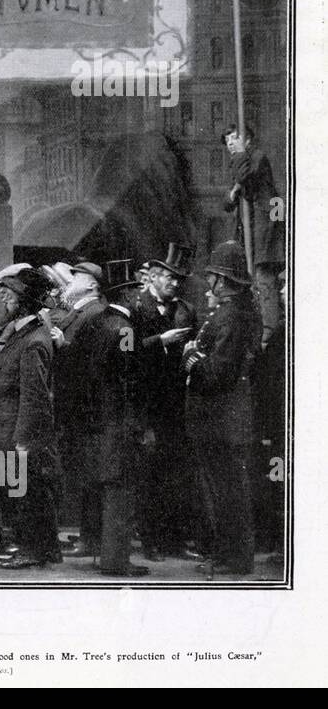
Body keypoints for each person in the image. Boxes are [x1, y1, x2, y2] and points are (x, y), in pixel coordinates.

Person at [185, 242, 263, 576]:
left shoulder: (231, 315)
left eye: (213, 276)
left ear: (222, 280)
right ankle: (229, 555)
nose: (209, 283)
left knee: (226, 492)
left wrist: (191, 359)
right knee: (226, 491)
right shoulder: (238, 311)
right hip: (224, 420)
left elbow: (218, 372)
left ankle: (233, 559)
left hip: (221, 420)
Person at [128, 244, 200, 561]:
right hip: (146, 404)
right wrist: (162, 341)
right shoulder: (135, 308)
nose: (175, 284)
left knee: (175, 473)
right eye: (170, 279)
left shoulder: (186, 310)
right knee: (149, 475)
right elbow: (128, 351)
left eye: (179, 280)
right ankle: (150, 541)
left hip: (176, 405)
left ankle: (175, 540)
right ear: (154, 277)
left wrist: (191, 354)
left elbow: (195, 342)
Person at [80, 260, 149, 577]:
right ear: (127, 294)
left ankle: (105, 554)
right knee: (121, 490)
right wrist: (139, 424)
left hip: (98, 419)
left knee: (108, 488)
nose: (139, 294)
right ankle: (116, 560)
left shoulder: (96, 322)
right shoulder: (124, 330)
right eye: (136, 288)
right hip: (119, 421)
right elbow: (129, 380)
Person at [0, 268, 59, 569]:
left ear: (26, 300)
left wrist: (24, 441)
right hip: (8, 429)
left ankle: (32, 550)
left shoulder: (34, 341)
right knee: (24, 493)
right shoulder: (24, 334)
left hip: (18, 434)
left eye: (11, 292)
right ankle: (40, 548)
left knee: (26, 494)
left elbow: (35, 396)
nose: (4, 295)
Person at [53, 261, 108, 559]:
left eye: (76, 276)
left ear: (90, 283)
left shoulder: (94, 313)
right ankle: (88, 535)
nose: (70, 281)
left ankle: (92, 539)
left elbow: (93, 362)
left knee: (89, 474)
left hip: (85, 409)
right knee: (84, 473)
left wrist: (65, 346)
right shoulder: (81, 311)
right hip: (74, 407)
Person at [221, 125, 285, 347]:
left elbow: (246, 176)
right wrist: (234, 190)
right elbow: (227, 203)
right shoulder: (239, 162)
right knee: (250, 279)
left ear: (248, 140)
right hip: (248, 230)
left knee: (263, 277)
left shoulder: (256, 157)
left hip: (264, 227)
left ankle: (269, 331)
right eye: (227, 140)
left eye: (234, 138)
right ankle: (257, 329)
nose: (230, 143)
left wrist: (238, 181)